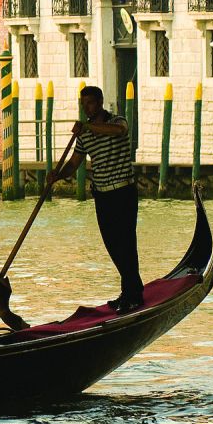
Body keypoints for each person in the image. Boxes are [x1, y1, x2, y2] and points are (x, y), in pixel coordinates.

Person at [51, 85, 142, 313]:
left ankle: (134, 294)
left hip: (123, 192)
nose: (87, 109)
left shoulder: (118, 120)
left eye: (90, 103)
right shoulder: (85, 135)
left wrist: (87, 126)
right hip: (102, 195)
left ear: (100, 102)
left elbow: (117, 131)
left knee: (126, 244)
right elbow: (74, 163)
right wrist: (57, 175)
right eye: (84, 105)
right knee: (112, 245)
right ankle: (130, 291)